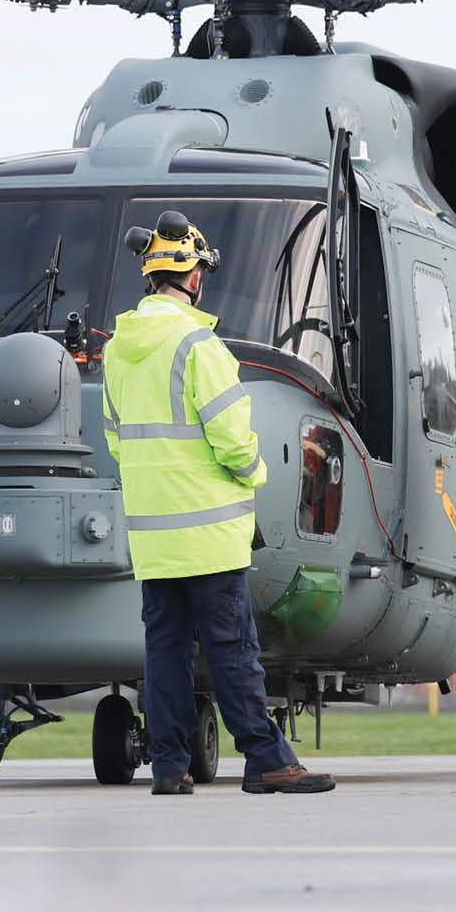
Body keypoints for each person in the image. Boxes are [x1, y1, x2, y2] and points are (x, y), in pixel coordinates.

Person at [103, 211, 334, 797]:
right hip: (208, 531)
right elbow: (232, 437)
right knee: (232, 650)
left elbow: (114, 436)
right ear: (194, 276)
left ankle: (169, 766)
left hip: (152, 537)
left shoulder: (116, 350)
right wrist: (251, 473)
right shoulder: (198, 345)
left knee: (165, 652)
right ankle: (265, 758)